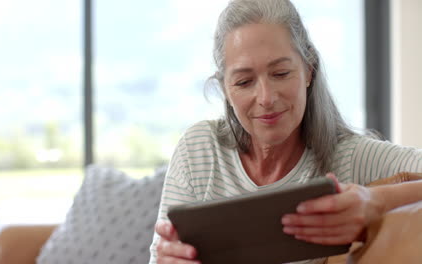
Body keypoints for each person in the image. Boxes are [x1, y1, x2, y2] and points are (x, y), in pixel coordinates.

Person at [149, 0, 422, 263]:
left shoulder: (353, 158)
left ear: (309, 71)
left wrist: (374, 200)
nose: (266, 97)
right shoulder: (198, 151)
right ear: (225, 90)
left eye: (280, 73)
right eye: (244, 82)